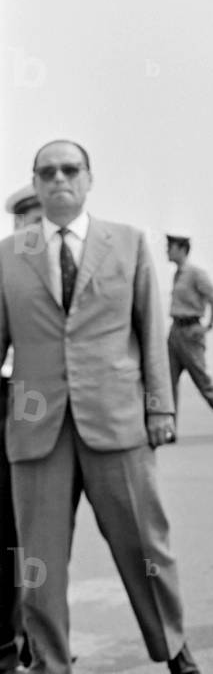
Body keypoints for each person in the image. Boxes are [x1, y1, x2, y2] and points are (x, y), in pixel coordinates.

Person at [0, 140, 200, 673]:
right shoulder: (6, 254)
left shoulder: (129, 243)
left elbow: (150, 333)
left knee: (146, 547)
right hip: (36, 427)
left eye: (70, 169)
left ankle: (176, 650)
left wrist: (160, 408)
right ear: (36, 183)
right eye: (47, 172)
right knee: (39, 561)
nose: (59, 179)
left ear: (89, 179)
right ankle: (50, 663)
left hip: (117, 420)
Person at [1, 186, 42, 672]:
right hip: (5, 405)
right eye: (24, 221)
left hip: (42, 416)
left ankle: (35, 632)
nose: (31, 229)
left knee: (34, 535)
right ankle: (12, 640)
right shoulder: (5, 269)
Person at [166, 234, 213, 442]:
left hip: (191, 331)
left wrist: (209, 325)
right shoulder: (178, 274)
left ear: (181, 249)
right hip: (175, 330)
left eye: (170, 247)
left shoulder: (196, 273)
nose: (167, 251)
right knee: (167, 381)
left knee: (202, 380)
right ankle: (168, 428)